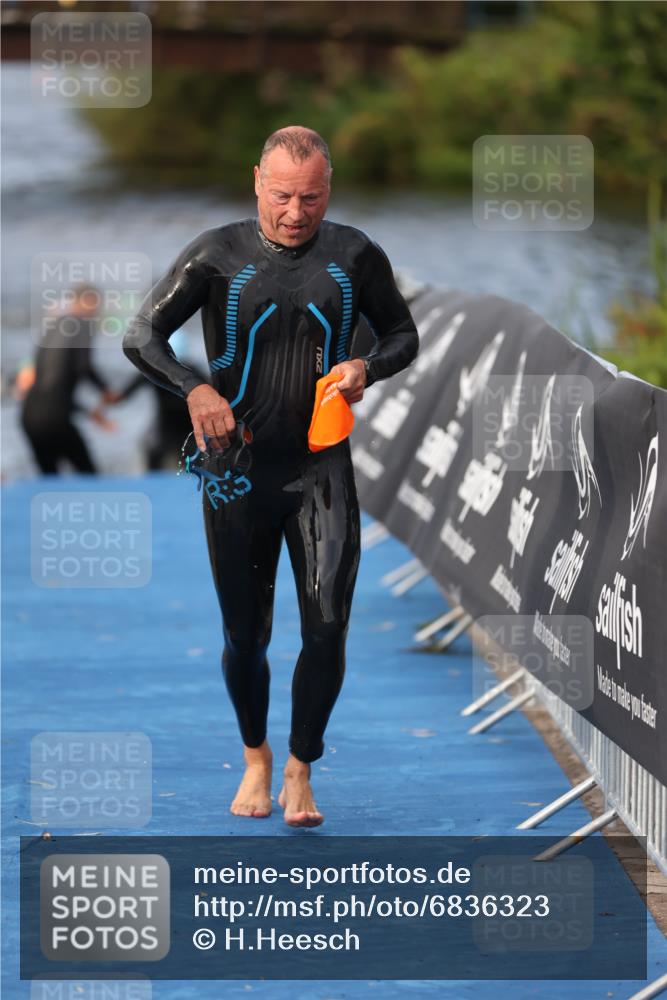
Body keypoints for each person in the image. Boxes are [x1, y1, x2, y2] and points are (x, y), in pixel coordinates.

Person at [123, 126, 419, 826]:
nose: (295, 212)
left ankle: (298, 767)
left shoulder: (354, 255)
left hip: (321, 471)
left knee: (327, 629)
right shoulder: (216, 256)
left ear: (329, 185)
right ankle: (254, 758)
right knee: (245, 637)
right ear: (256, 179)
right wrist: (194, 390)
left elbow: (404, 335)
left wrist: (365, 367)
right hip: (236, 476)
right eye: (282, 195)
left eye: (310, 197)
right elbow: (141, 336)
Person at [21, 284, 114, 475]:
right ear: (87, 302)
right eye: (96, 304)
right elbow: (84, 367)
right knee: (89, 475)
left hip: (29, 414)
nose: (97, 311)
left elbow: (51, 383)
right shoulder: (83, 324)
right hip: (55, 417)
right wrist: (106, 390)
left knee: (49, 478)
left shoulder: (54, 325)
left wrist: (88, 412)